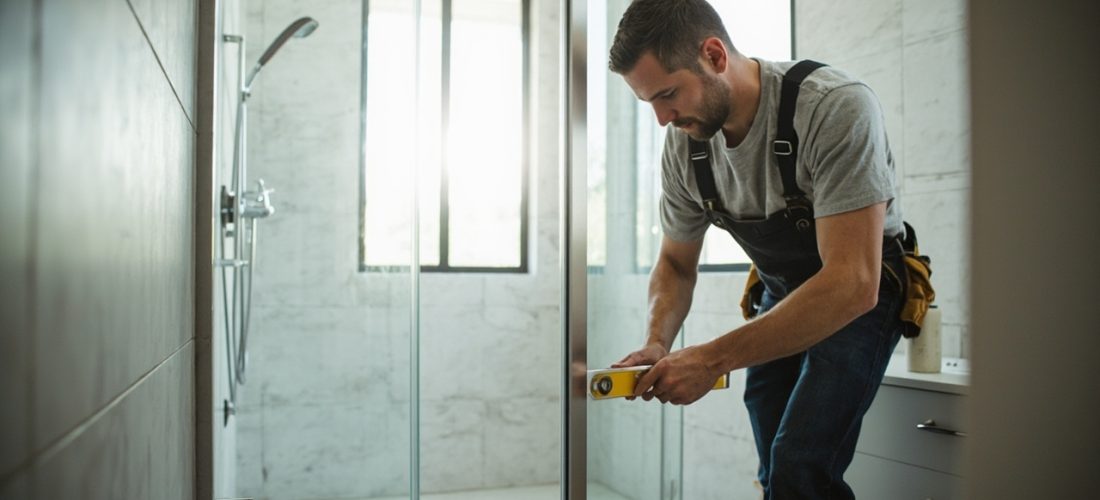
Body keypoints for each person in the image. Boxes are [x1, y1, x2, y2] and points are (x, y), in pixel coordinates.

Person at [607, 0, 911, 498]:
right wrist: (658, 339)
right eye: (650, 104)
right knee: (774, 463)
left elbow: (854, 282)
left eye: (667, 95)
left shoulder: (832, 106)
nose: (663, 119)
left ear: (714, 55)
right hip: (781, 288)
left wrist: (710, 359)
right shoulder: (686, 144)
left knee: (799, 462)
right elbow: (675, 265)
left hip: (863, 290)